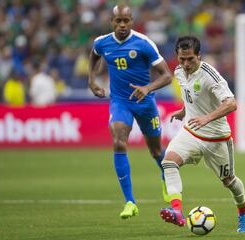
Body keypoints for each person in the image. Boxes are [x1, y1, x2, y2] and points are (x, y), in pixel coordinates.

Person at [159, 36, 245, 233]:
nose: (185, 64)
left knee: (229, 181)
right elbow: (192, 94)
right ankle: (176, 210)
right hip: (191, 132)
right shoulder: (179, 71)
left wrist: (206, 118)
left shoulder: (210, 75)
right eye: (181, 59)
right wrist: (185, 110)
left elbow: (231, 103)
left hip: (216, 137)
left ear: (199, 56)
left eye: (190, 59)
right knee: (168, 162)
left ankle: (244, 211)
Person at [88, 4, 172, 219]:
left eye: (126, 20)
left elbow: (166, 75)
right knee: (118, 140)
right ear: (112, 22)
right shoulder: (102, 42)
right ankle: (130, 202)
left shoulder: (144, 43)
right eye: (118, 21)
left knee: (155, 151)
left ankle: (165, 176)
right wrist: (92, 80)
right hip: (120, 102)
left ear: (132, 21)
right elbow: (95, 55)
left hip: (145, 103)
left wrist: (147, 88)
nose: (123, 25)